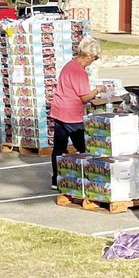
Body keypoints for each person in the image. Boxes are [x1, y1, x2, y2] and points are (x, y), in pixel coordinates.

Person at [48, 36, 112, 189]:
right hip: (71, 114)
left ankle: (56, 179)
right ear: (89, 56)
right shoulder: (79, 72)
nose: (93, 61)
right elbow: (84, 97)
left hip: (58, 110)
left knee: (59, 146)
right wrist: (98, 90)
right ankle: (89, 177)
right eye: (94, 58)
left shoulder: (69, 65)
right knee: (84, 147)